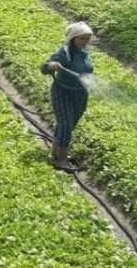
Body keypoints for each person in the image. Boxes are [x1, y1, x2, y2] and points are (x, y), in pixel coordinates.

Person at [41, 22, 94, 172]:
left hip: (80, 94)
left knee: (70, 125)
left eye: (87, 39)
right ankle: (62, 159)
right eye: (81, 39)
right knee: (65, 124)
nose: (84, 42)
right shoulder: (64, 53)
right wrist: (51, 65)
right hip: (63, 92)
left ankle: (55, 153)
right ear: (73, 38)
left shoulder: (85, 53)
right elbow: (45, 67)